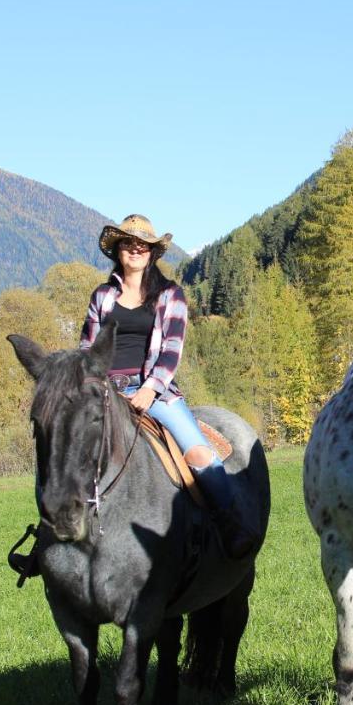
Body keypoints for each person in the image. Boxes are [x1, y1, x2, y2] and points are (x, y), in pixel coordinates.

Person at [81, 213, 258, 559]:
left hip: (154, 392)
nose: (135, 249)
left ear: (151, 253)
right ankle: (52, 540)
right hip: (104, 391)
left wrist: (149, 389)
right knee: (65, 446)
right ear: (117, 250)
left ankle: (232, 525)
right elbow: (87, 349)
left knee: (199, 454)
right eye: (128, 243)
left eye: (142, 244)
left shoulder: (170, 295)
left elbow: (171, 349)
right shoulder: (101, 296)